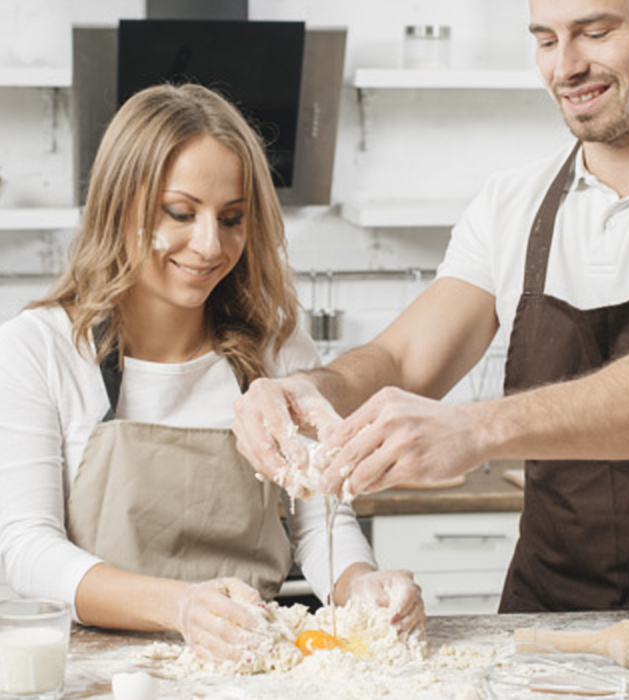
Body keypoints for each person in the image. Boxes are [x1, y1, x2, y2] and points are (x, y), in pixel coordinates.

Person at [231, 0, 629, 613]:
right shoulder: (512, 205)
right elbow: (403, 358)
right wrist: (303, 391)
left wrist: (479, 428)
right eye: (547, 40)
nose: (567, 66)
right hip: (544, 617)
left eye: (595, 32)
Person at [0, 83, 424, 662]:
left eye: (231, 219)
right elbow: (25, 549)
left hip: (253, 667)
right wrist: (181, 607)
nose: (209, 245)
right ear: (118, 204)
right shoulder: (40, 348)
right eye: (180, 212)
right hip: (98, 673)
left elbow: (319, 519)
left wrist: (358, 586)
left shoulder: (274, 351)